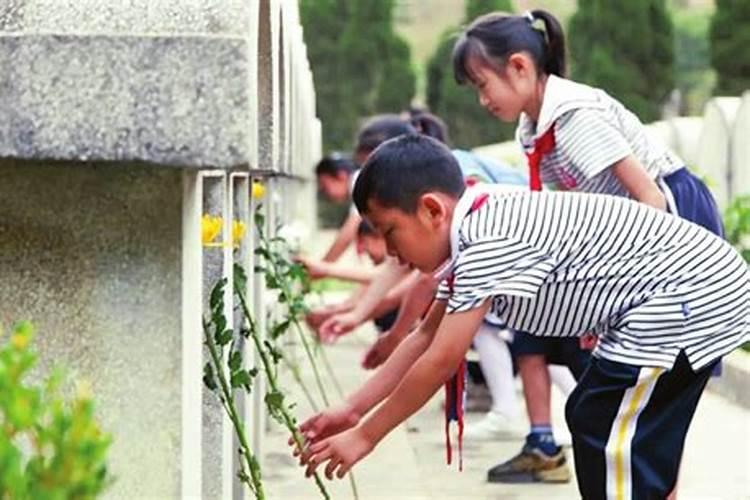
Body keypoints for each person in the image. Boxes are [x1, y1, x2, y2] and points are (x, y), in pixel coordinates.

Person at [295, 135, 749, 500]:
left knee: (602, 424)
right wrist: (350, 411)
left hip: (687, 297)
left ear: (433, 210)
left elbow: (440, 360)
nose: (390, 251)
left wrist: (365, 436)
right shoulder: (473, 221)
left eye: (390, 231)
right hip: (688, 295)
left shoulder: (485, 239)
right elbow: (423, 336)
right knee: (615, 428)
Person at [449, 8, 726, 485]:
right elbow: (578, 210)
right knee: (640, 407)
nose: (481, 99)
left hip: (670, 226)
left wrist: (631, 292)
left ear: (519, 66)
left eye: (481, 83)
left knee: (657, 394)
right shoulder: (534, 127)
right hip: (633, 238)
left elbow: (650, 198)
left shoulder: (573, 117)